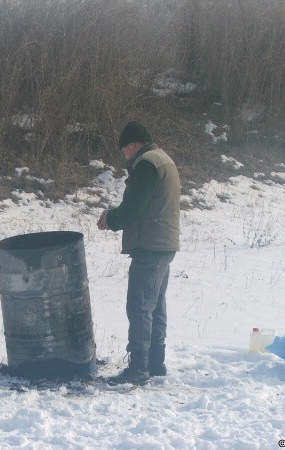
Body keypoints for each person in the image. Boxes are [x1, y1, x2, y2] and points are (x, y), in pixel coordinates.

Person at [97, 121, 181, 384]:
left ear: (132, 144)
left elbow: (134, 207)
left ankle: (139, 370)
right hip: (164, 242)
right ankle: (155, 364)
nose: (124, 155)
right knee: (155, 307)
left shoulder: (146, 164)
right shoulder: (163, 159)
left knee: (140, 307)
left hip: (151, 244)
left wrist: (110, 219)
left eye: (124, 150)